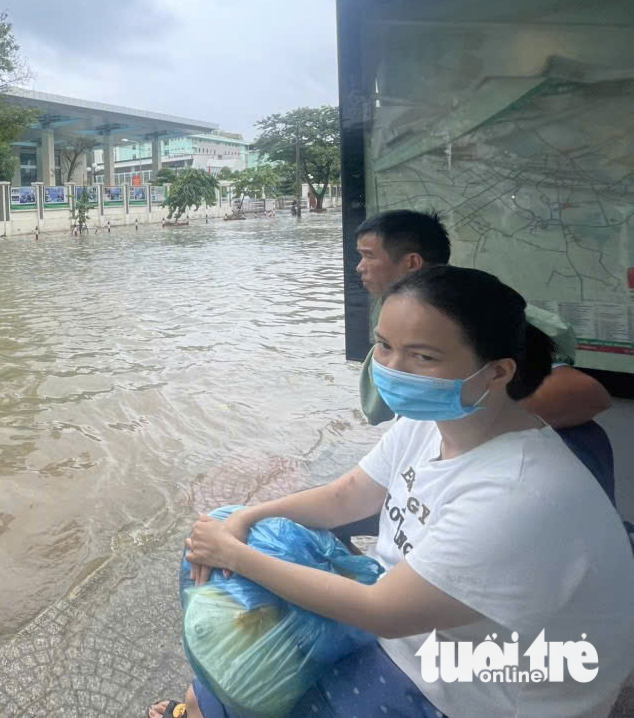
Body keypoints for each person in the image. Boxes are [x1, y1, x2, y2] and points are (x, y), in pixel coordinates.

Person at [153, 266, 634, 718]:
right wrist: (243, 519)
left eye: (423, 357)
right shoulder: (435, 421)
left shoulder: (519, 495)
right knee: (230, 534)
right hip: (420, 624)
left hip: (479, 691)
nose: (394, 368)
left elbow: (380, 613)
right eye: (384, 346)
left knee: (240, 670)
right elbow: (348, 496)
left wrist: (235, 555)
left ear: (498, 372)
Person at [352, 209, 614, 505]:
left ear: (412, 262)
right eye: (385, 345)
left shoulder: (470, 313)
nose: (359, 267)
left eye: (368, 255)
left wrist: (465, 428)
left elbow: (588, 393)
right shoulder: (413, 315)